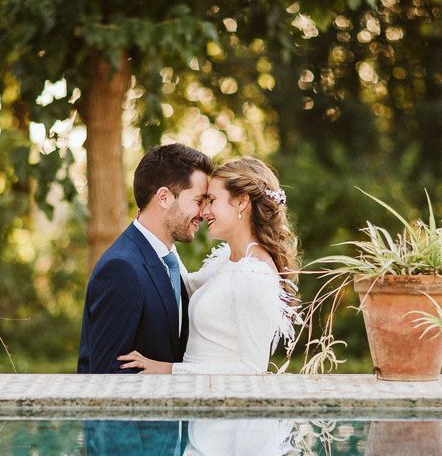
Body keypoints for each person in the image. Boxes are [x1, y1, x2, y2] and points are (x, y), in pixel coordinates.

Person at [117, 157, 299, 375]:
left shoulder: (254, 275)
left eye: (212, 200)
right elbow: (180, 283)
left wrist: (169, 370)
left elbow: (253, 369)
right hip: (197, 393)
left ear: (241, 202)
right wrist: (157, 227)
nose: (204, 212)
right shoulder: (227, 259)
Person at [77, 143, 212, 374]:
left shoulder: (170, 260)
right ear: (164, 198)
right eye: (198, 201)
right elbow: (106, 374)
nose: (204, 212)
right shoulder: (121, 268)